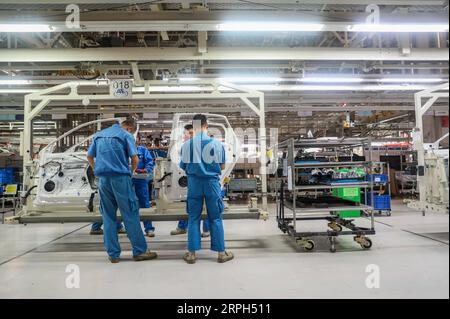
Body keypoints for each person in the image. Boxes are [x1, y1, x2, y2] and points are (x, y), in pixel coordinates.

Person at [87, 119, 157, 263]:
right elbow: (135, 160)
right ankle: (139, 251)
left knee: (108, 216)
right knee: (130, 214)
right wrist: (130, 172)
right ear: (130, 129)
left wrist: (96, 171)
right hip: (120, 179)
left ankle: (113, 254)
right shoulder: (126, 135)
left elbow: (89, 156)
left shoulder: (99, 135)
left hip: (103, 180)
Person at [180, 114, 234, 264]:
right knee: (215, 218)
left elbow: (183, 166)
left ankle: (191, 254)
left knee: (193, 218)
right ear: (206, 125)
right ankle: (221, 253)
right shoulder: (216, 144)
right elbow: (222, 166)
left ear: (194, 126)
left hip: (194, 184)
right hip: (212, 184)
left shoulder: (186, 145)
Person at [171, 124, 210, 237]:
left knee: (206, 205)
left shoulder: (207, 144)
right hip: (191, 179)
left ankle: (206, 229)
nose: (190, 136)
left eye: (192, 133)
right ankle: (182, 226)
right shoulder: (186, 146)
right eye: (188, 134)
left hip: (201, 180)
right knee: (190, 206)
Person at [133, 134, 156, 237]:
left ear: (138, 140)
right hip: (126, 180)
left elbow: (150, 162)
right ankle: (120, 226)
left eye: (135, 138)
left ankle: (148, 228)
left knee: (144, 204)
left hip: (140, 180)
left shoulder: (142, 150)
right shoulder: (123, 150)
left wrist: (146, 170)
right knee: (123, 204)